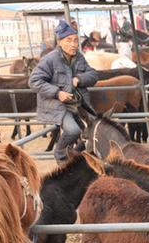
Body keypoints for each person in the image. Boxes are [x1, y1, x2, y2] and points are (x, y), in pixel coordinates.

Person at [29, 19, 98, 163]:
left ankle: (74, 155)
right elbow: (34, 81)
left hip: (77, 104)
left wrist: (79, 78)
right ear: (60, 41)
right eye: (69, 40)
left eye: (75, 40)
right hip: (58, 106)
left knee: (92, 130)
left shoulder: (79, 57)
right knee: (73, 130)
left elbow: (93, 75)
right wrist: (57, 93)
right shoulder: (50, 59)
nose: (73, 44)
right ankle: (60, 154)